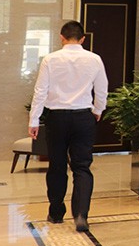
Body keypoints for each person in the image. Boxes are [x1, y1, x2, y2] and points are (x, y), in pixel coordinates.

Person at [29, 20, 108, 232]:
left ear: (61, 38)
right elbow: (102, 89)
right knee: (82, 167)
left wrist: (34, 120)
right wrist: (98, 110)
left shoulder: (50, 59)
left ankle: (56, 213)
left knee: (57, 165)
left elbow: (40, 91)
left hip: (56, 118)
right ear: (82, 39)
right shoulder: (94, 59)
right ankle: (81, 215)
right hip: (83, 117)